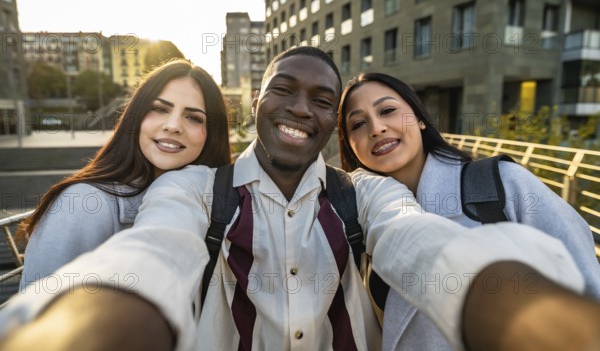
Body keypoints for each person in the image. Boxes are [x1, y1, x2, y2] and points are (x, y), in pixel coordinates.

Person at [0, 47, 598, 351]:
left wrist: (531, 317)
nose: (299, 108)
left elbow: (416, 239)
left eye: (321, 99)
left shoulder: (364, 191)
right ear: (255, 104)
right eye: (282, 90)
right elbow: (159, 249)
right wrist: (85, 325)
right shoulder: (190, 188)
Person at [337, 72, 600, 350]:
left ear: (420, 119)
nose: (376, 128)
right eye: (358, 123)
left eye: (388, 110)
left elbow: (588, 283)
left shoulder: (503, 182)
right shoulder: (354, 218)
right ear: (351, 147)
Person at [18, 59, 231, 289]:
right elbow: (39, 315)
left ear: (211, 133)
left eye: (193, 117)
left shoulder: (216, 200)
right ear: (137, 116)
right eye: (159, 109)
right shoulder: (82, 204)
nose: (173, 125)